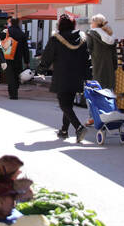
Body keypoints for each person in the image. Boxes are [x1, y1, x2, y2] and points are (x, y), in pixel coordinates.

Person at [38, 13, 90, 143]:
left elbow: (47, 56)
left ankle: (79, 127)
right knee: (68, 104)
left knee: (63, 104)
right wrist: (87, 75)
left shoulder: (56, 39)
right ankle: (64, 130)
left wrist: (41, 69)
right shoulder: (82, 38)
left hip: (62, 75)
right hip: (77, 75)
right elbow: (87, 58)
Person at [1, 18, 30, 100]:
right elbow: (25, 49)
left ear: (10, 22)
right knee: (16, 74)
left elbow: (1, 43)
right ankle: (15, 90)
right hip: (18, 58)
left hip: (8, 57)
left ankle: (12, 93)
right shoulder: (22, 34)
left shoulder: (7, 32)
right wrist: (27, 61)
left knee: (10, 75)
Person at [86, 14, 117, 90]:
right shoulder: (110, 35)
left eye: (91, 22)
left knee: (98, 91)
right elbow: (114, 54)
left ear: (95, 23)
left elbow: (87, 51)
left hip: (97, 68)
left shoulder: (91, 34)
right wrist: (114, 67)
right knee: (109, 92)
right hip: (110, 69)